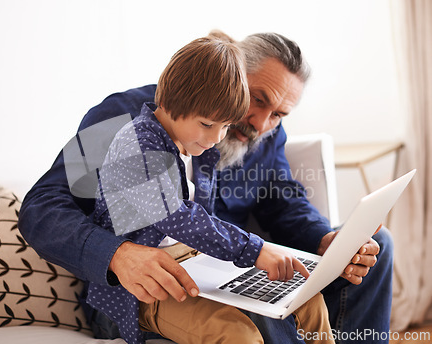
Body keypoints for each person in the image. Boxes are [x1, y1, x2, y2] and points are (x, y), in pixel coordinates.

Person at [19, 31, 392, 344]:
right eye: (257, 99)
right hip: (154, 291)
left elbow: (284, 202)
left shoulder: (260, 136)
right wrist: (117, 254)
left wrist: (325, 238)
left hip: (226, 273)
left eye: (278, 114)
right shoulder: (124, 118)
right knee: (261, 320)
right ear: (230, 76)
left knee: (379, 246)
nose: (261, 124)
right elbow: (43, 209)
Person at [88, 36, 330, 344]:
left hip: (198, 266)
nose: (217, 138)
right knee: (236, 333)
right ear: (171, 99)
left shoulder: (199, 146)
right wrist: (253, 249)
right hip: (137, 290)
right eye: (207, 124)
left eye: (226, 126)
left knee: (306, 299)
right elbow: (176, 217)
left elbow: (272, 203)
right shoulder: (138, 145)